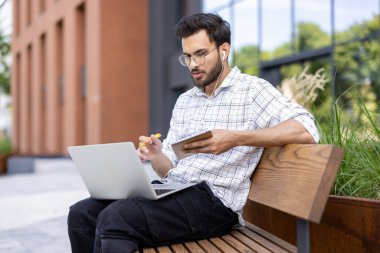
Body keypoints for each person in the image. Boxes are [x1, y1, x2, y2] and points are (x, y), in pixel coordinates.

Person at [67, 13, 319, 253]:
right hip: (175, 190)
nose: (193, 64)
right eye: (187, 56)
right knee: (81, 213)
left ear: (224, 50)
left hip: (215, 203)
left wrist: (235, 138)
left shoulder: (252, 90)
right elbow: (169, 169)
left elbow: (307, 128)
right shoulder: (185, 101)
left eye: (200, 54)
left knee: (117, 218)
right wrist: (156, 155)